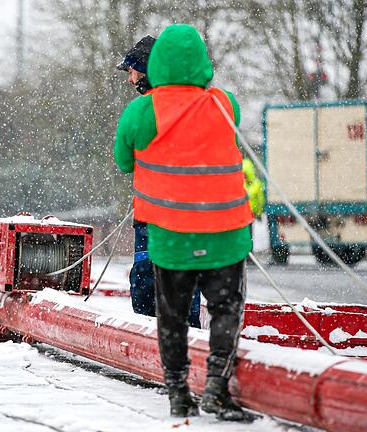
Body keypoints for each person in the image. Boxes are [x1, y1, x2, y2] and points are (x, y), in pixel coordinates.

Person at [113, 24, 254, 421]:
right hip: (226, 232)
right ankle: (216, 389)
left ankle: (177, 394)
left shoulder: (141, 111)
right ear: (203, 63)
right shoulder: (225, 104)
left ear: (155, 65)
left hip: (171, 233)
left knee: (171, 315)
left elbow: (125, 162)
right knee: (226, 309)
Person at [117, 35, 201, 328]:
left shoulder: (140, 111)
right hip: (189, 217)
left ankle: (161, 354)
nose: (130, 80)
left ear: (147, 71)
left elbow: (124, 161)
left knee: (147, 285)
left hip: (155, 217)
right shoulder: (197, 105)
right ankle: (184, 349)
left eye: (132, 71)